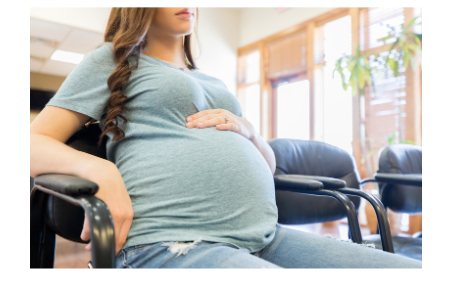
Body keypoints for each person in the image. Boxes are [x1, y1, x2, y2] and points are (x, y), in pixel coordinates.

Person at [30, 7, 421, 268]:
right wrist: (102, 171)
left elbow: (267, 167)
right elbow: (29, 145)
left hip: (265, 237)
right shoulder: (111, 60)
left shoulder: (212, 81)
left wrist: (250, 132)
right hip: (173, 240)